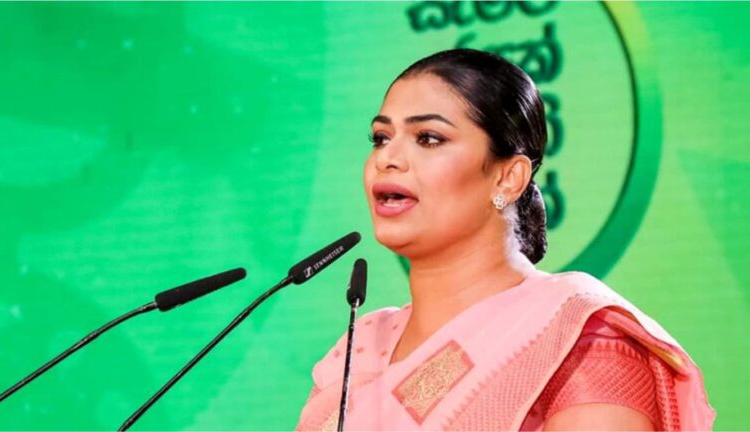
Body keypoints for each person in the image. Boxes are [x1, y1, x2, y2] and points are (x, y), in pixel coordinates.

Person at [296, 49, 714, 431]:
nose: (386, 159)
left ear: (508, 177)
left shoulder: (578, 339)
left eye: (428, 138)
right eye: (381, 138)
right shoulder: (360, 347)